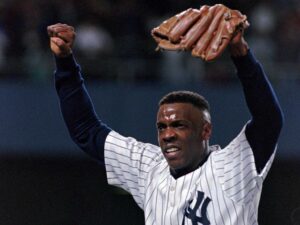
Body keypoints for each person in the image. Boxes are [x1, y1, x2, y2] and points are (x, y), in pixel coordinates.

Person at [47, 22, 284, 225]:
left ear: (206, 130)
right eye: (162, 127)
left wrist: (240, 53)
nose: (167, 134)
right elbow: (86, 130)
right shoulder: (149, 168)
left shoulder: (233, 166)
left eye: (179, 125)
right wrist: (65, 62)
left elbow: (269, 120)